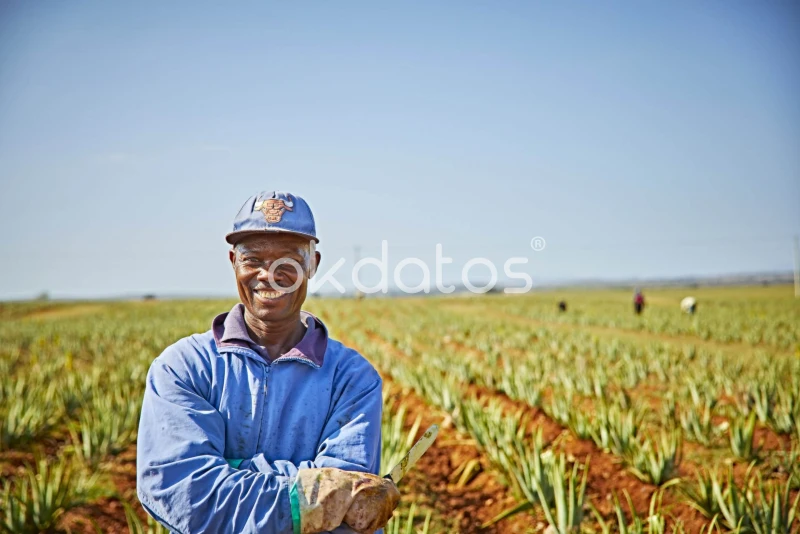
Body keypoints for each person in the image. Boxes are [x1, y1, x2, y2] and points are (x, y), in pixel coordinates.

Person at [137, 191, 400, 534]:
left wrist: (230, 470)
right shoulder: (184, 367)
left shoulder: (352, 379)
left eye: (288, 261)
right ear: (233, 262)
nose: (269, 275)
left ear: (313, 264)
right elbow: (183, 493)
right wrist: (305, 495)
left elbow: (346, 514)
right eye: (253, 259)